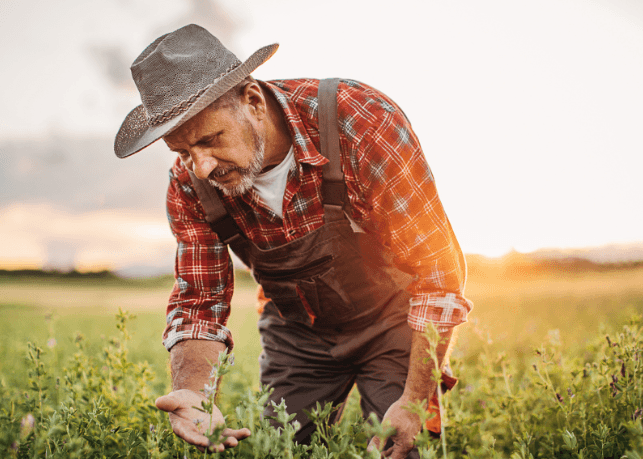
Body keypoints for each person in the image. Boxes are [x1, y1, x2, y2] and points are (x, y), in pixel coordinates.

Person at [114, 24, 473, 458]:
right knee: (285, 448)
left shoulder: (360, 121)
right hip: (297, 332)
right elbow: (200, 302)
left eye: (210, 140)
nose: (202, 167)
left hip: (394, 319)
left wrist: (414, 400)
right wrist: (193, 392)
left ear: (252, 101)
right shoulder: (190, 183)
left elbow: (437, 273)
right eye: (183, 152)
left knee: (400, 448)